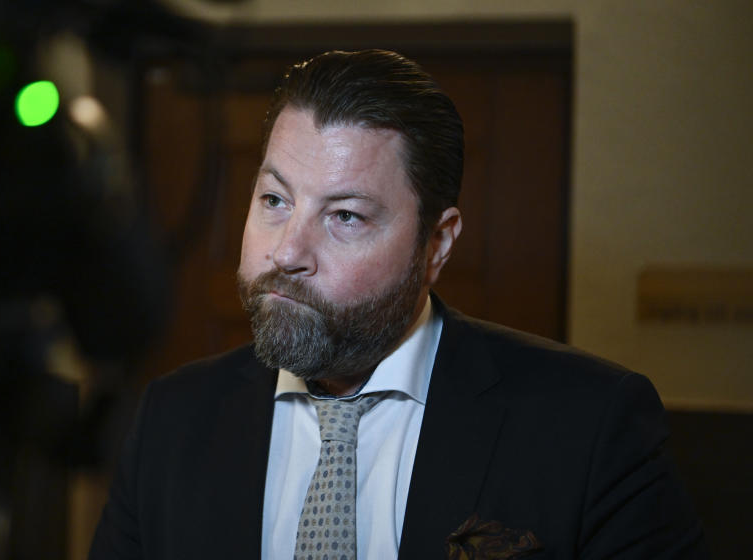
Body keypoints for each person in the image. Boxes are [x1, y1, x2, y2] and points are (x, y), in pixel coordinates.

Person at [89, 49, 706, 559]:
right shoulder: (172, 419)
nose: (287, 252)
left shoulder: (592, 426)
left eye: (346, 216)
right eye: (275, 201)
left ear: (435, 244)